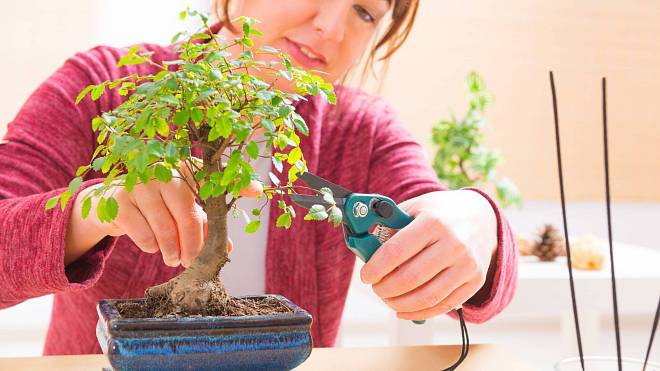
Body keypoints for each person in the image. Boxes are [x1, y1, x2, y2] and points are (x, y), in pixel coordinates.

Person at [0, 0, 517, 355]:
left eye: (364, 11)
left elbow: (440, 221)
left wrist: (476, 222)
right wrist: (97, 208)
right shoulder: (108, 87)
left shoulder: (360, 131)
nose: (334, 27)